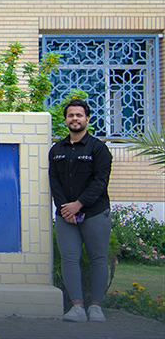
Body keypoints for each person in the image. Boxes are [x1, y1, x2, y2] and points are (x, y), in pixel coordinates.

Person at [49, 98, 113, 323]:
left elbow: (100, 182)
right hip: (65, 215)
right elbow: (54, 181)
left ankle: (96, 307)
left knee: (98, 259)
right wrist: (65, 209)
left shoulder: (99, 148)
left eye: (79, 115)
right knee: (69, 259)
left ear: (87, 119)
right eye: (70, 115)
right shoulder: (57, 150)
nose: (74, 119)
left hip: (95, 213)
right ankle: (77, 308)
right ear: (65, 119)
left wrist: (78, 204)